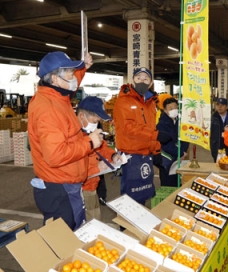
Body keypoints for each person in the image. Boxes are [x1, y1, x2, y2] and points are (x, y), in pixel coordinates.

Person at [28, 51, 103, 230]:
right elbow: (55, 155)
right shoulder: (48, 109)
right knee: (63, 240)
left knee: (72, 233)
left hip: (66, 183)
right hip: (59, 187)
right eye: (69, 72)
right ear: (54, 79)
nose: (73, 76)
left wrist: (83, 67)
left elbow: (70, 82)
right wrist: (89, 143)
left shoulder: (57, 96)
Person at [113, 67, 168, 205]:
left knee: (144, 194)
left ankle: (140, 225)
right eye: (138, 78)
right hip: (131, 156)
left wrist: (156, 150)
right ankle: (125, 227)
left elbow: (151, 127)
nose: (142, 81)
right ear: (132, 80)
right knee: (130, 198)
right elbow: (128, 128)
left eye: (145, 79)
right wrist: (156, 136)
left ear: (150, 83)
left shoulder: (150, 103)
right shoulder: (124, 101)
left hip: (146, 155)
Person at [77, 96, 121, 221]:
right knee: (88, 221)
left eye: (98, 121)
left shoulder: (92, 132)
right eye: (95, 120)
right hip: (80, 189)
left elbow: (103, 148)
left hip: (92, 186)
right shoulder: (74, 137)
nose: (96, 123)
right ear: (82, 116)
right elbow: (73, 168)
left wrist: (113, 155)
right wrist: (96, 169)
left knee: (94, 216)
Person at [156, 97, 189, 187]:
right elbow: (165, 144)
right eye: (170, 108)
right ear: (165, 110)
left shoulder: (180, 122)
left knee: (178, 183)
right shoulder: (162, 124)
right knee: (168, 184)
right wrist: (180, 153)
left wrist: (183, 152)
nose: (174, 110)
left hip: (179, 158)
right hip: (167, 160)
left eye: (175, 107)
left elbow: (185, 137)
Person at [210, 98, 228, 162]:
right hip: (217, 146)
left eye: (222, 105)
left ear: (227, 107)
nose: (220, 107)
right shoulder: (213, 118)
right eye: (218, 105)